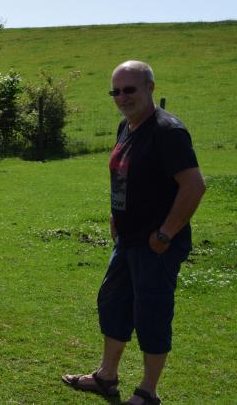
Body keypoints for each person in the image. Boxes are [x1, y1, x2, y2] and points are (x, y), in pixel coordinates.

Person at [62, 60, 206, 405]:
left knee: (151, 312)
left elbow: (194, 186)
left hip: (156, 243)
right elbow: (124, 177)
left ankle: (148, 392)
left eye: (130, 89)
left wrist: (166, 234)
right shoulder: (126, 128)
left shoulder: (167, 132)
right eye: (116, 91)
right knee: (114, 304)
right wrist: (116, 217)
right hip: (127, 239)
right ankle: (106, 377)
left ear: (150, 88)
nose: (122, 97)